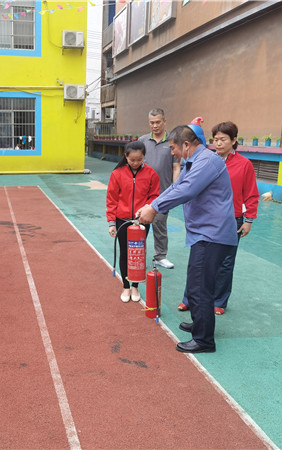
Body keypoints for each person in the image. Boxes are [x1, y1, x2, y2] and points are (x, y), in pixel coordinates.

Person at [137, 124, 238, 353]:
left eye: (173, 147)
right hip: (204, 233)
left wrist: (154, 209)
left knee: (201, 286)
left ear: (185, 144)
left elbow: (187, 191)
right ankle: (199, 324)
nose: (171, 152)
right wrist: (152, 205)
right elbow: (177, 187)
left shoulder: (207, 162)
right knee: (195, 284)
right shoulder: (191, 163)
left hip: (213, 234)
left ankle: (204, 340)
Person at [178, 121, 259, 315]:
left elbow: (251, 193)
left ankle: (219, 300)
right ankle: (189, 298)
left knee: (225, 262)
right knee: (197, 261)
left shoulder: (244, 164)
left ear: (234, 140)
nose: (219, 143)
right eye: (215, 140)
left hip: (232, 220)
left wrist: (249, 220)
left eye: (223, 139)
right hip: (207, 219)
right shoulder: (206, 160)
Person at [107, 141, 160, 303]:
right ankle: (126, 285)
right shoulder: (117, 174)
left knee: (137, 254)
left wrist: (146, 208)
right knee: (125, 253)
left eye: (140, 159)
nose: (136, 163)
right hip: (122, 220)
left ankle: (135, 286)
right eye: (132, 160)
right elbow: (112, 199)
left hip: (141, 221)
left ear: (144, 157)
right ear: (126, 157)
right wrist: (111, 223)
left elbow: (155, 196)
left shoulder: (151, 174)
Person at [138, 108, 181, 269]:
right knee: (139, 224)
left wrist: (175, 189)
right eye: (151, 122)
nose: (154, 126)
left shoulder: (172, 142)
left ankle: (160, 256)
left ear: (164, 121)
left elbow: (176, 167)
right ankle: (138, 254)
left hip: (163, 192)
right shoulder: (142, 141)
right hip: (142, 193)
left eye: (157, 122)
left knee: (160, 225)